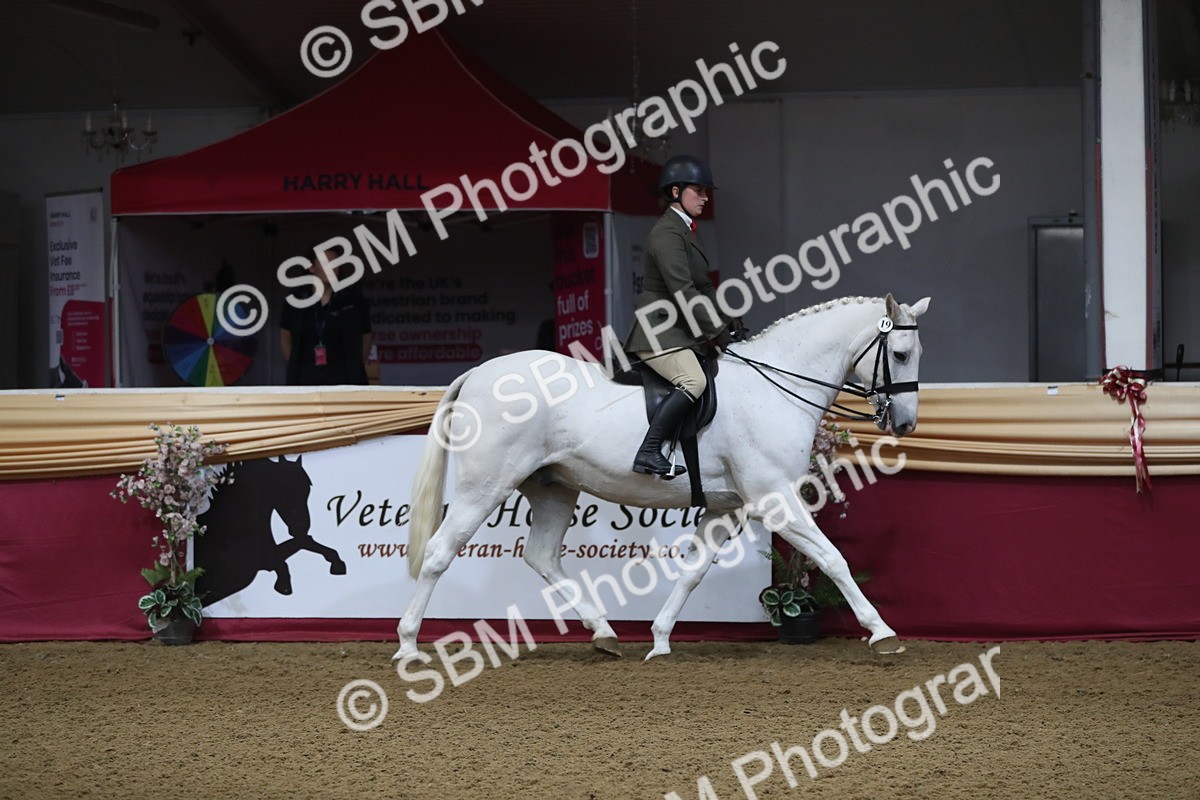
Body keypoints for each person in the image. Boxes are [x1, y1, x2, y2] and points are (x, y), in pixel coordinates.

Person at [624, 155, 745, 478]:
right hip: (658, 333)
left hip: (679, 331)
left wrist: (726, 318)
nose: (706, 198)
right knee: (694, 380)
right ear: (676, 191)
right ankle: (649, 451)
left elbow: (702, 285)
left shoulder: (688, 231)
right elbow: (682, 290)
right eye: (699, 191)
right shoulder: (667, 234)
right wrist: (713, 330)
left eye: (706, 191)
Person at [279, 249, 373, 385]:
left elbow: (366, 336)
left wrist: (355, 365)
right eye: (326, 263)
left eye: (336, 263)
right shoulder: (296, 299)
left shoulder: (352, 298)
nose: (332, 268)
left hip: (344, 375)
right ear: (312, 267)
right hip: (306, 374)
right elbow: (285, 336)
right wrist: (297, 365)